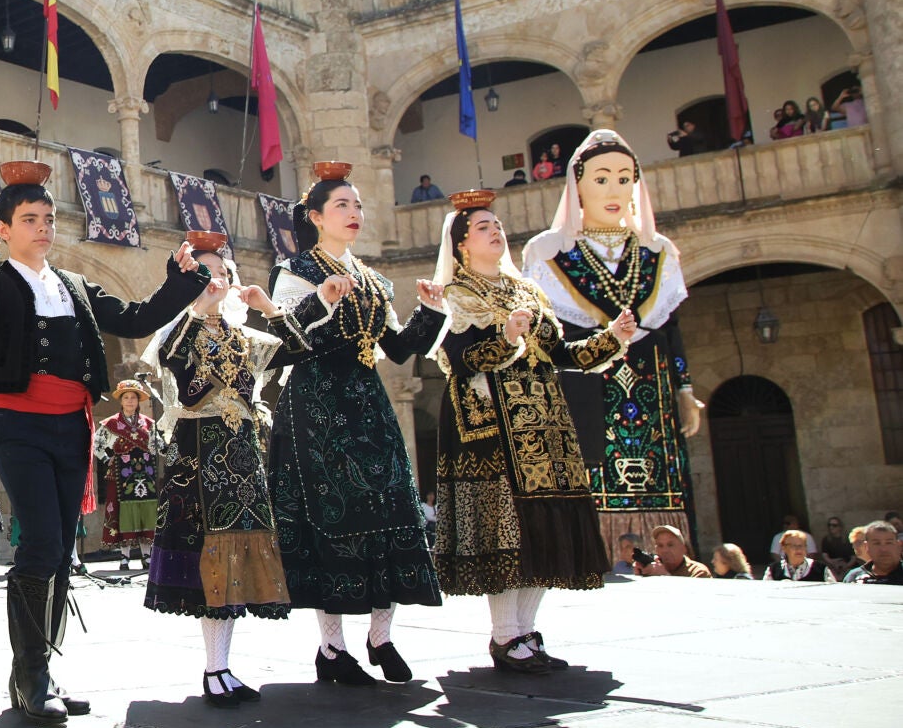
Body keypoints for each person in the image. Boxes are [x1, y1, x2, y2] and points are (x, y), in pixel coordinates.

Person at [0, 160, 207, 726]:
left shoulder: (76, 286)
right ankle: (30, 674)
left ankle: (44, 669)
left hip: (73, 426)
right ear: (4, 228)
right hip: (18, 423)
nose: (42, 227)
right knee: (40, 541)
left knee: (64, 546)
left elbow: (136, 320)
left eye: (48, 217)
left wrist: (183, 279)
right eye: (28, 218)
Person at [428, 190, 632, 675]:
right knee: (507, 529)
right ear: (460, 245)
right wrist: (506, 339)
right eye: (482, 227)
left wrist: (612, 339)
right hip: (491, 426)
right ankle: (504, 635)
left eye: (496, 224)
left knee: (544, 528)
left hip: (544, 424)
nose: (495, 231)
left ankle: (524, 631)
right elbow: (458, 360)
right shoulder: (458, 296)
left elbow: (562, 354)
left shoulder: (527, 292)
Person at [266, 162, 446, 686]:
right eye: (342, 205)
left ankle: (382, 636)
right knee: (334, 519)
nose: (354, 213)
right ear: (316, 217)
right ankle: (331, 647)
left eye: (358, 205)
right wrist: (322, 305)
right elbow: (283, 345)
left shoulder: (374, 280)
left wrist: (429, 314)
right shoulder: (297, 271)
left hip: (367, 403)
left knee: (391, 508)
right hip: (318, 405)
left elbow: (397, 348)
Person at [524, 130, 705, 563]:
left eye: (625, 179)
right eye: (602, 178)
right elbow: (547, 336)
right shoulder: (551, 252)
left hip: (651, 381)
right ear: (578, 185)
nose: (614, 190)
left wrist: (684, 388)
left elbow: (670, 328)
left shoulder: (656, 252)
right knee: (589, 464)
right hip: (583, 381)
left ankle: (667, 554)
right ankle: (591, 551)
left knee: (660, 471)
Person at [139, 249, 290, 707]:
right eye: (205, 275)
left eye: (221, 274)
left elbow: (298, 350)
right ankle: (214, 668)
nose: (215, 281)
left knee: (236, 560)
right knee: (210, 561)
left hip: (242, 453)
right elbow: (177, 375)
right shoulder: (178, 332)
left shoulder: (246, 337)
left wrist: (269, 308)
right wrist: (198, 310)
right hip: (199, 456)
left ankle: (222, 665)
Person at [92, 380, 159, 570]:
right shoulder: (112, 423)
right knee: (123, 513)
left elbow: (158, 446)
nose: (130, 401)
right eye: (126, 397)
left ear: (138, 401)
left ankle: (146, 555)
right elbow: (96, 445)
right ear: (121, 401)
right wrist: (108, 460)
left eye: (133, 398)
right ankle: (124, 557)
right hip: (121, 476)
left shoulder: (148, 424)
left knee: (146, 511)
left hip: (147, 476)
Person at [635, 524, 710, 577]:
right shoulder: (654, 567)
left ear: (683, 548)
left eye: (670, 545)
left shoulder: (698, 571)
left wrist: (665, 576)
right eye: (660, 545)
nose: (665, 550)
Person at [765, 530, 833, 581]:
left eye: (801, 545)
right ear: (784, 548)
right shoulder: (773, 570)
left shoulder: (821, 569)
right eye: (793, 546)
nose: (798, 549)